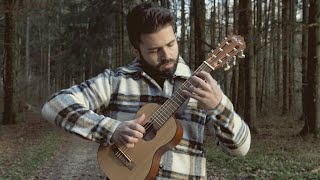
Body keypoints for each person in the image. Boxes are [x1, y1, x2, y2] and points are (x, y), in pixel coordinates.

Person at [42, 2, 251, 179]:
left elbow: (240, 149)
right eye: (154, 50)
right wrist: (111, 129)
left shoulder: (203, 88)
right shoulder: (116, 81)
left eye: (171, 44)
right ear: (137, 50)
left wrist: (219, 106)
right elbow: (54, 105)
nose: (166, 54)